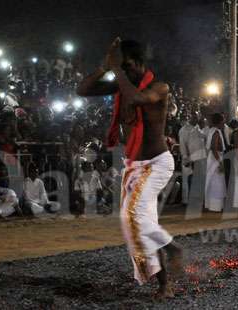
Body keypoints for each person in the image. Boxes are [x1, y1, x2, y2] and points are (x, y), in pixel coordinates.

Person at [77, 38, 182, 299]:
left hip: (157, 163)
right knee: (139, 222)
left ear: (138, 64)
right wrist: (104, 67)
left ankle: (171, 249)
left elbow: (136, 98)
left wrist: (117, 72)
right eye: (120, 67)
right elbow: (82, 90)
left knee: (132, 216)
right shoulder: (119, 84)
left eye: (126, 66)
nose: (122, 71)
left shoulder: (160, 87)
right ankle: (164, 282)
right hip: (134, 166)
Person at [205, 113, 227, 212]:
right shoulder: (216, 132)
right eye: (223, 120)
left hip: (213, 158)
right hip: (215, 158)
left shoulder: (212, 130)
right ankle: (215, 206)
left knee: (215, 181)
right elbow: (214, 148)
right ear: (219, 122)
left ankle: (213, 205)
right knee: (216, 182)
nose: (224, 122)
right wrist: (220, 162)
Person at [185, 117, 207, 212]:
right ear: (201, 123)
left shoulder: (198, 131)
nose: (205, 124)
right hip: (197, 159)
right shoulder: (196, 131)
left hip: (199, 159)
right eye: (204, 122)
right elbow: (192, 146)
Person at [178, 116, 196, 204]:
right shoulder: (184, 130)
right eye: (194, 116)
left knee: (191, 178)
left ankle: (189, 199)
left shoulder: (194, 128)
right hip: (187, 156)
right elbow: (183, 145)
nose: (195, 118)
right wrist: (186, 157)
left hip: (193, 156)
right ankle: (185, 200)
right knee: (186, 178)